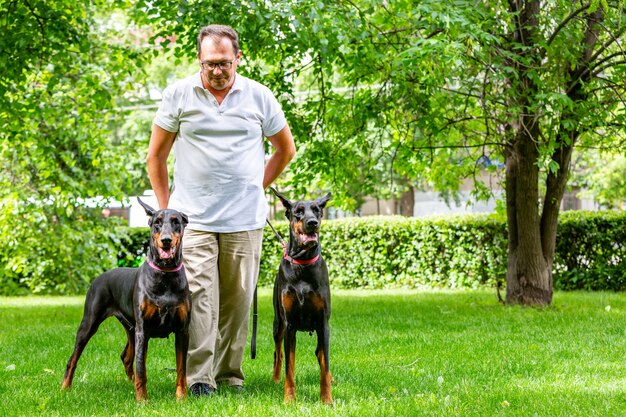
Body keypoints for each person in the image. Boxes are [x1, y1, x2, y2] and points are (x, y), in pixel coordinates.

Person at [146, 24, 295, 396]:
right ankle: (199, 379)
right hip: (193, 219)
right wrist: (167, 212)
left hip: (244, 219)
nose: (217, 70)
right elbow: (156, 156)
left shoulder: (259, 97)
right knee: (199, 298)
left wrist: (255, 186)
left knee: (237, 302)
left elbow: (285, 149)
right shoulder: (178, 94)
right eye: (210, 63)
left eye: (224, 63)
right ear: (199, 59)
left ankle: (230, 374)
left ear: (238, 58)